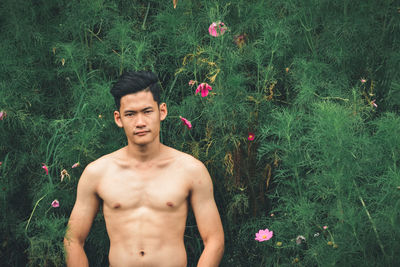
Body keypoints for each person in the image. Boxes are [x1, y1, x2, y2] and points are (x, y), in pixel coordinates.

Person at [63, 71, 224, 267]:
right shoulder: (97, 173)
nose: (140, 122)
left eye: (147, 111)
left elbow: (214, 240)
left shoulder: (190, 170)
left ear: (162, 111)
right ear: (118, 118)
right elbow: (73, 240)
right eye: (130, 114)